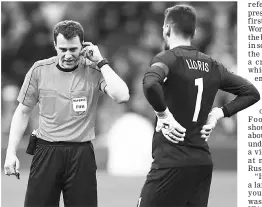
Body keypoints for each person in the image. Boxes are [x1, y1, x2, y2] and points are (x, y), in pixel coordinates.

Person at [139, 5, 260, 207]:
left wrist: (163, 115)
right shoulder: (212, 65)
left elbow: (150, 83)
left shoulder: (167, 59)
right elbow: (251, 93)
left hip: (171, 162)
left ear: (166, 29)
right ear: (194, 33)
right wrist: (219, 113)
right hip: (201, 163)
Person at [4, 20, 129, 207]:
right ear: (55, 45)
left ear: (83, 46)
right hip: (47, 152)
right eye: (63, 49)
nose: (68, 55)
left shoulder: (93, 69)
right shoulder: (39, 70)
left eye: (73, 49)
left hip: (81, 154)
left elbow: (122, 96)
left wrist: (101, 61)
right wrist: (10, 152)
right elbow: (22, 112)